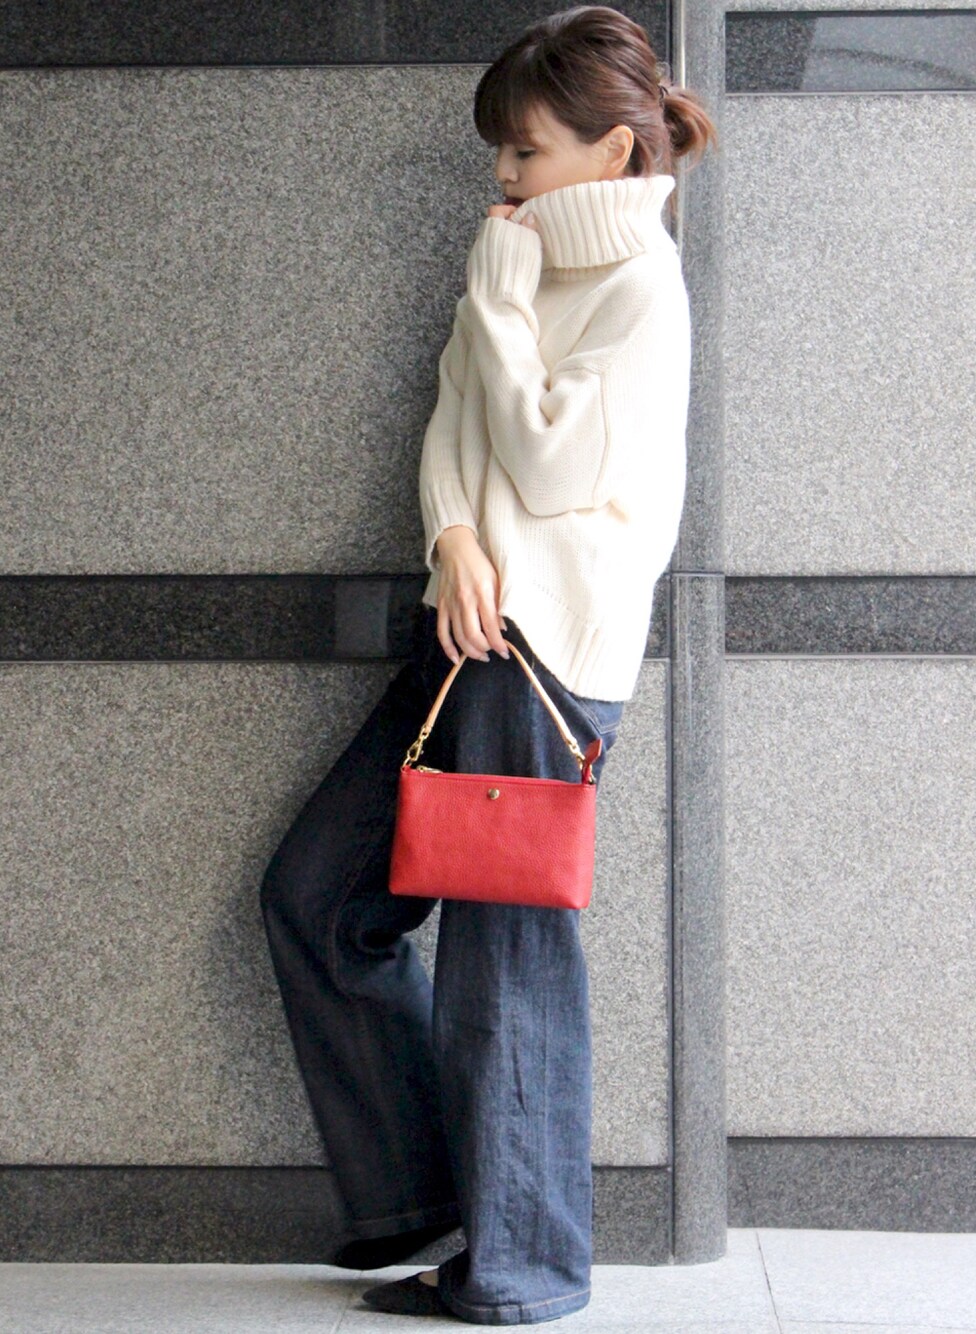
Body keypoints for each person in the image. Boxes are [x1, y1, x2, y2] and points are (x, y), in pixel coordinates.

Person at [259, 5, 717, 1324]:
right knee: (318, 897)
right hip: (463, 634)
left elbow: (557, 462)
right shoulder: (509, 264)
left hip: (544, 656)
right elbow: (453, 428)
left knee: (508, 961)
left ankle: (521, 1270)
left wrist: (503, 305)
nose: (504, 178)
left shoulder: (638, 290)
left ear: (612, 149)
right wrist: (452, 536)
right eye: (500, 154)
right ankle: (418, 1201)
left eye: (525, 152)